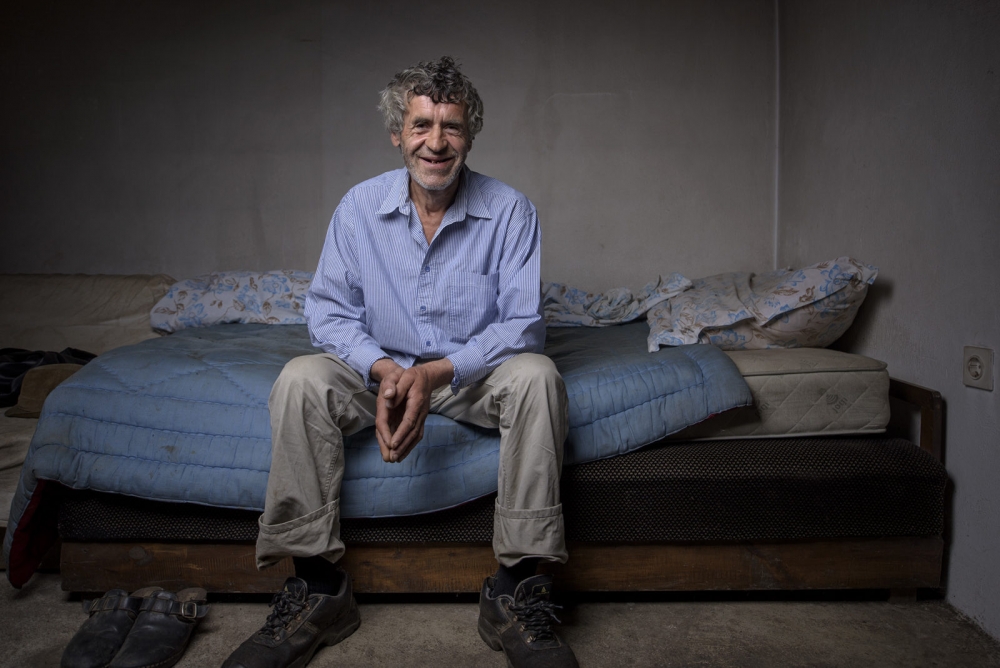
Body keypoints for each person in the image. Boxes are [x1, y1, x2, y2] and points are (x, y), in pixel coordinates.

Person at [222, 56, 578, 668]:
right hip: (380, 370)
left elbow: (522, 324)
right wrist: (384, 369)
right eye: (421, 126)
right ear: (397, 133)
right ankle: (317, 588)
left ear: (470, 136)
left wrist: (437, 372)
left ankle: (516, 591)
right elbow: (328, 313)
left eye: (451, 127)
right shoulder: (358, 207)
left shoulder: (511, 211)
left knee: (538, 376)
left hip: (468, 373)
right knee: (300, 379)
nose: (436, 143)